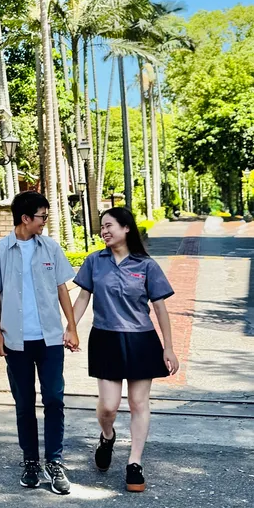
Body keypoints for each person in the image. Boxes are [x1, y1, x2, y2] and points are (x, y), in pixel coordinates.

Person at [71, 207, 179, 493]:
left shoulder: (147, 265)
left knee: (138, 403)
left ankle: (134, 463)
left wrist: (169, 347)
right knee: (108, 406)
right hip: (105, 338)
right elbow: (82, 298)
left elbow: (160, 309)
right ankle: (107, 436)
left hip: (141, 340)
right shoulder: (95, 261)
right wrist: (70, 328)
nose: (104, 231)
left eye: (109, 226)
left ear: (126, 228)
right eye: (101, 228)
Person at [0, 191, 79, 495]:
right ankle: (30, 461)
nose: (44, 222)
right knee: (24, 404)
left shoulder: (50, 247)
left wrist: (72, 327)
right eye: (41, 217)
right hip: (16, 341)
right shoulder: (0, 251)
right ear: (25, 219)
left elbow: (63, 289)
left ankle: (55, 461)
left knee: (54, 400)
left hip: (49, 339)